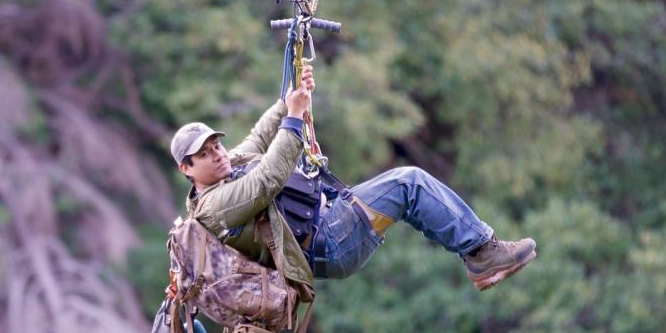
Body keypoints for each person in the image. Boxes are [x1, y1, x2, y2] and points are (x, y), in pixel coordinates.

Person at [170, 64, 536, 291]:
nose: (216, 154)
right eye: (204, 154)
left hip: (331, 221)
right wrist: (295, 119)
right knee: (408, 183)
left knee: (409, 194)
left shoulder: (228, 167)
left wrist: (289, 100)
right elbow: (266, 180)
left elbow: (258, 138)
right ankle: (482, 253)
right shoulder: (214, 207)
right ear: (186, 170)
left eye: (216, 146)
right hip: (327, 243)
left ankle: (479, 254)